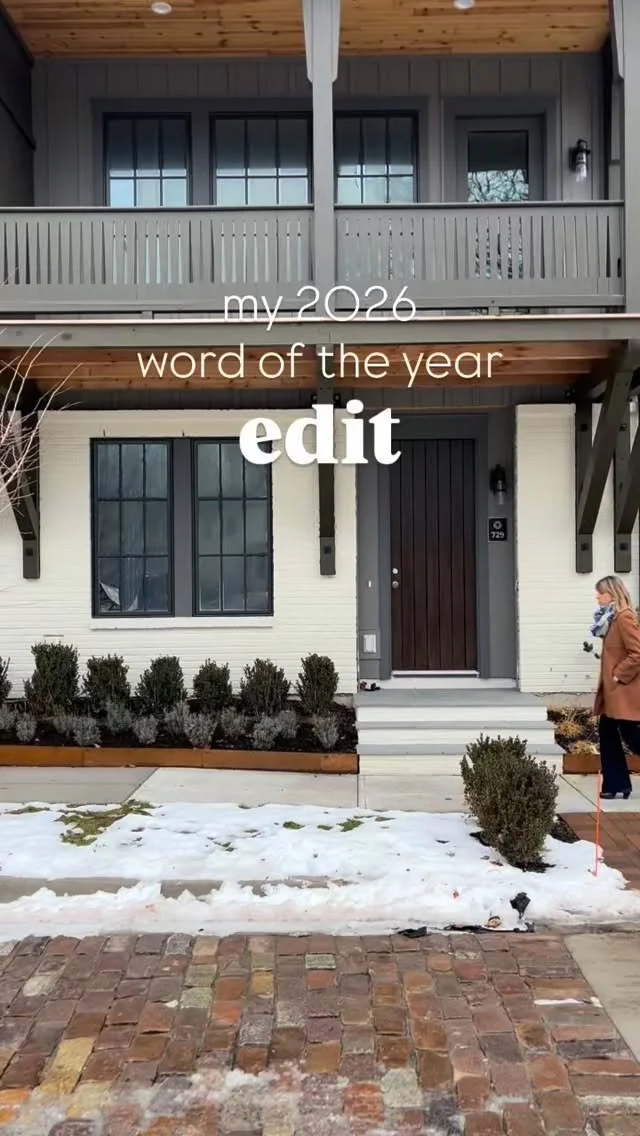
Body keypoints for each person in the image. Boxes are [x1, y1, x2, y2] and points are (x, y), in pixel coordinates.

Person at [592, 575, 640, 800]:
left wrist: (617, 675)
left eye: (600, 593)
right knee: (607, 733)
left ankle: (616, 784)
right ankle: (615, 784)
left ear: (612, 594)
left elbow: (637, 652)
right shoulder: (611, 619)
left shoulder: (624, 617)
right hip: (613, 692)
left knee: (633, 737)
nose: (597, 597)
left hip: (623, 691)